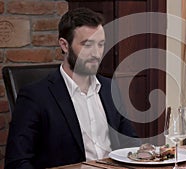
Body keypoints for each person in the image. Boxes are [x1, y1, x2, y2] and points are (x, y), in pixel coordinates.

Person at [5, 7, 140, 169]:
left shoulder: (110, 88)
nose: (96, 53)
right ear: (64, 45)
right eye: (87, 45)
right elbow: (17, 163)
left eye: (100, 44)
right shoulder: (35, 96)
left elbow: (131, 146)